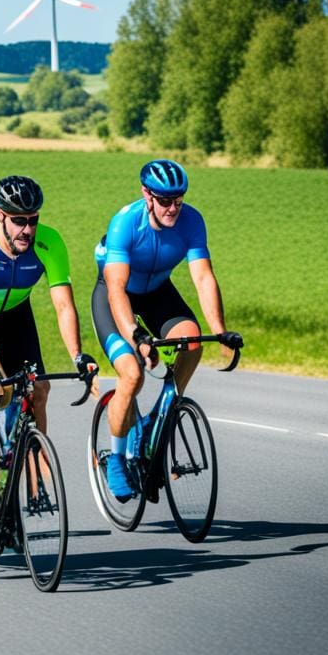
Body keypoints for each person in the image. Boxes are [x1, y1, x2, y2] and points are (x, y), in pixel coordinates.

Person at [0, 176, 96, 527]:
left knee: (40, 388)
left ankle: (30, 460)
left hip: (16, 318)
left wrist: (77, 355)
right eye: (19, 220)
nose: (28, 229)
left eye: (33, 219)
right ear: (0, 215)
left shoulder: (49, 243)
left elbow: (63, 305)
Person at [91, 159, 242, 501]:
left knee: (192, 342)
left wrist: (220, 331)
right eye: (164, 200)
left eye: (179, 199)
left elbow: (203, 277)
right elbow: (116, 288)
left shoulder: (191, 221)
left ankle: (160, 415)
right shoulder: (125, 223)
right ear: (147, 194)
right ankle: (116, 458)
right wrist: (135, 334)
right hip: (117, 296)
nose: (173, 208)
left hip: (159, 293)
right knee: (131, 375)